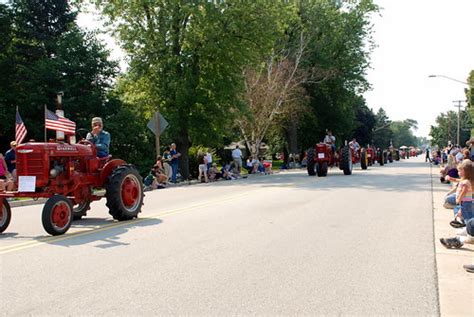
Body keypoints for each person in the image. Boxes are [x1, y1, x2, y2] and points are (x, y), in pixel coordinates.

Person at [446, 159, 473, 228]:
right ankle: (463, 223)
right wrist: (450, 178)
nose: (458, 173)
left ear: (466, 172)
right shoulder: (464, 180)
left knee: (467, 216)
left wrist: (459, 199)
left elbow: (464, 191)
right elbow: (456, 180)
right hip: (465, 202)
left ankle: (468, 228)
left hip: (465, 202)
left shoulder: (466, 182)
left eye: (460, 171)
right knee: (464, 213)